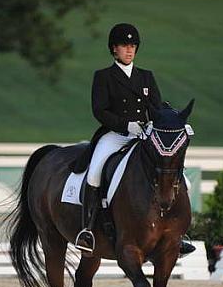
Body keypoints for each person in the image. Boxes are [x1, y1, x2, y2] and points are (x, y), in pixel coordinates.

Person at [75, 23, 195, 258]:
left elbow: (158, 107)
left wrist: (173, 120)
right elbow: (99, 110)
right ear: (114, 49)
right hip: (115, 136)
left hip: (144, 136)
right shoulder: (104, 77)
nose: (129, 51)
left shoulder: (146, 76)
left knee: (181, 179)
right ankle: (88, 230)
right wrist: (125, 125)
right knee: (94, 173)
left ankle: (178, 234)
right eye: (124, 46)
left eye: (132, 46)